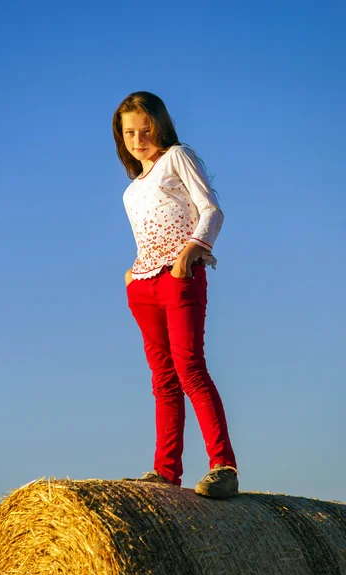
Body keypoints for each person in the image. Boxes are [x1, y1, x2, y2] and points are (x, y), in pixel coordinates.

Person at [112, 91, 238, 499]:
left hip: (179, 275)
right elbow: (147, 234)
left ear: (160, 125)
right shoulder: (131, 191)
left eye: (145, 128)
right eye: (129, 132)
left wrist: (190, 252)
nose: (138, 138)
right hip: (144, 286)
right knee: (162, 380)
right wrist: (132, 274)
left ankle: (223, 466)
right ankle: (166, 471)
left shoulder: (177, 156)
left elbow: (211, 210)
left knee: (190, 370)